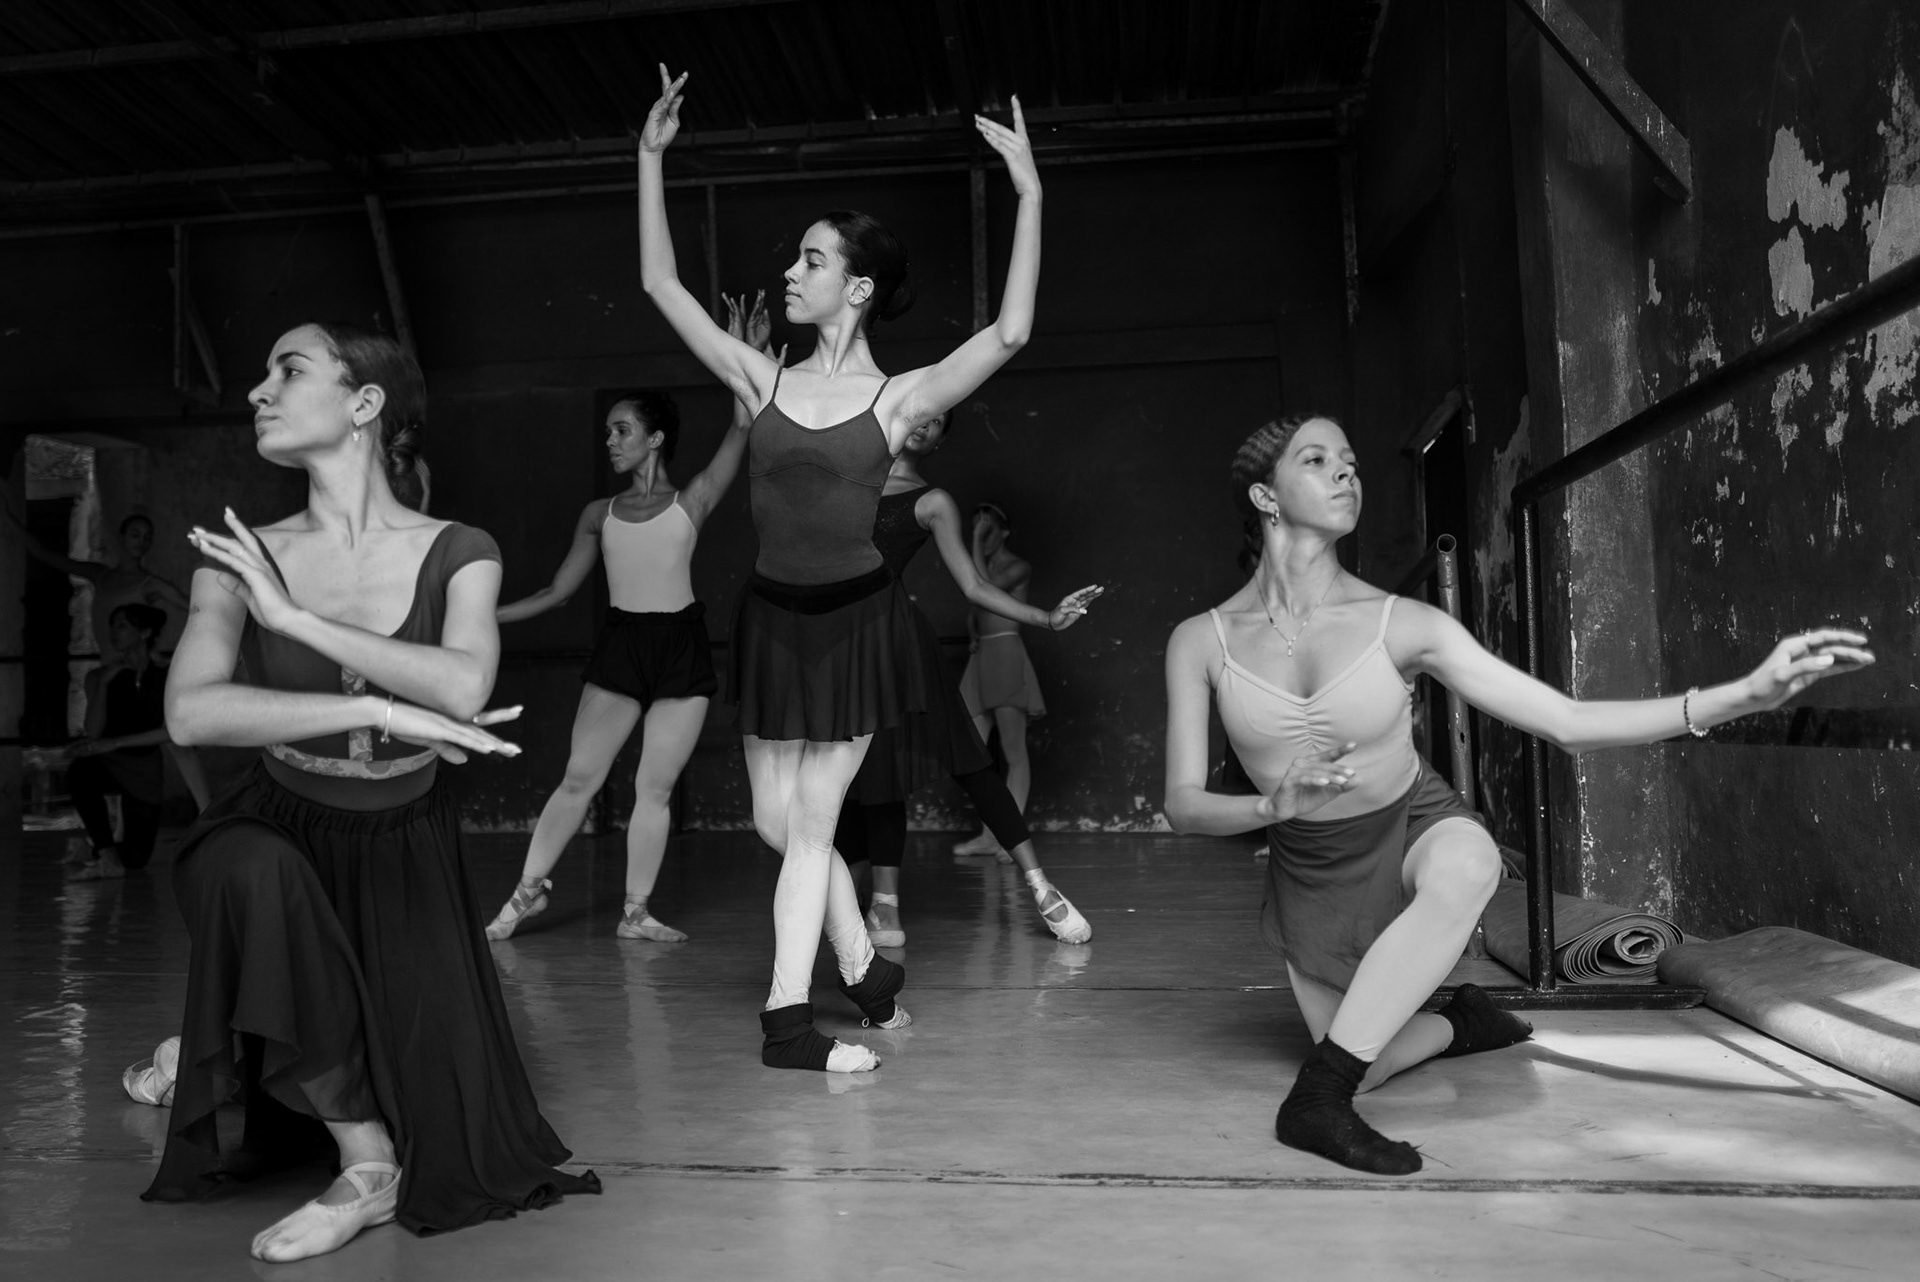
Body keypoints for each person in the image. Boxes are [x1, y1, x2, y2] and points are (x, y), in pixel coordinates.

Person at [1162, 414, 1873, 1176]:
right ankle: (1462, 1023)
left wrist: (1742, 695)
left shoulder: (1404, 624)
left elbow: (1566, 722)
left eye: (1351, 460)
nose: (1345, 472)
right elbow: (1182, 804)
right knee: (1370, 1056)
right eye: (1316, 459)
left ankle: (1316, 1100)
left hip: (1411, 825)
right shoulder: (1202, 641)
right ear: (1265, 497)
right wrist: (1271, 810)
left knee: (1468, 864)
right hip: (1311, 867)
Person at [155, 321, 599, 1262]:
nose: (258, 392)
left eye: (289, 370)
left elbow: (464, 685)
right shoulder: (238, 555)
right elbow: (191, 713)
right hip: (277, 818)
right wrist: (379, 710)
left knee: (458, 1125)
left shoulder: (460, 549)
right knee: (248, 868)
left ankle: (205, 1048)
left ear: (364, 404)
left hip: (404, 839)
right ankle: (367, 1167)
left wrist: (294, 621)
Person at [638, 65, 1042, 1071]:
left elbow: (1011, 331)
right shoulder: (759, 377)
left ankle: (787, 1025)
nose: (792, 271)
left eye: (812, 260)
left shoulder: (901, 400)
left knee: (814, 824)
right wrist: (649, 160)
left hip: (859, 623)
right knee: (779, 823)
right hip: (771, 617)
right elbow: (660, 287)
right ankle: (865, 970)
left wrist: (1029, 193)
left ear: (856, 288)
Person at [484, 294, 776, 943]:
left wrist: (742, 356)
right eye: (609, 431)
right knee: (579, 778)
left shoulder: (693, 500)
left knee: (655, 787)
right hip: (621, 646)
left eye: (622, 430)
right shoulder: (599, 514)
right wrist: (484, 614)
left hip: (680, 649)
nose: (610, 440)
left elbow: (742, 428)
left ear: (655, 438)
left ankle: (635, 913)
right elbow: (557, 591)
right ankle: (526, 895)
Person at [834, 411, 1099, 946]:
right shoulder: (843, 480)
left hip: (900, 643)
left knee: (972, 761)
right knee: (874, 771)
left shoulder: (932, 501)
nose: (925, 425)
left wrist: (1047, 618)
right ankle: (883, 907)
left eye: (937, 424)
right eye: (922, 413)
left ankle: (1041, 886)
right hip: (843, 645)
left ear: (938, 443)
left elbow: (974, 586)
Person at [3, 502, 212, 807]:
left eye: (147, 537)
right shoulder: (100, 576)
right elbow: (44, 554)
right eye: (136, 534)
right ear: (121, 537)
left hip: (138, 673)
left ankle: (209, 813)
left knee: (176, 742)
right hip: (109, 674)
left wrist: (177, 655)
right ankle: (122, 827)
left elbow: (197, 608)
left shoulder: (150, 584)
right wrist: (8, 517)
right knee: (107, 745)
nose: (142, 541)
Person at [952, 501, 1051, 857]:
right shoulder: (984, 567)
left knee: (1014, 752)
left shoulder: (1017, 566)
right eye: (977, 529)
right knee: (971, 753)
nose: (982, 536)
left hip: (1007, 655)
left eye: (988, 530)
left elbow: (984, 590)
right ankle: (988, 835)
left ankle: (1010, 839)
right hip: (982, 659)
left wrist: (974, 540)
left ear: (1004, 532)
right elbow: (976, 608)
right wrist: (972, 633)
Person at [64, 602, 173, 880]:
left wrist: (115, 743)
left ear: (144, 632)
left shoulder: (166, 675)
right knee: (80, 771)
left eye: (122, 625)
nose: (113, 632)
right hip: (108, 762)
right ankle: (105, 853)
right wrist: (103, 685)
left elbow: (171, 731)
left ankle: (89, 848)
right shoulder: (97, 677)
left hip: (145, 767)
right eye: (112, 625)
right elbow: (93, 731)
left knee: (136, 861)